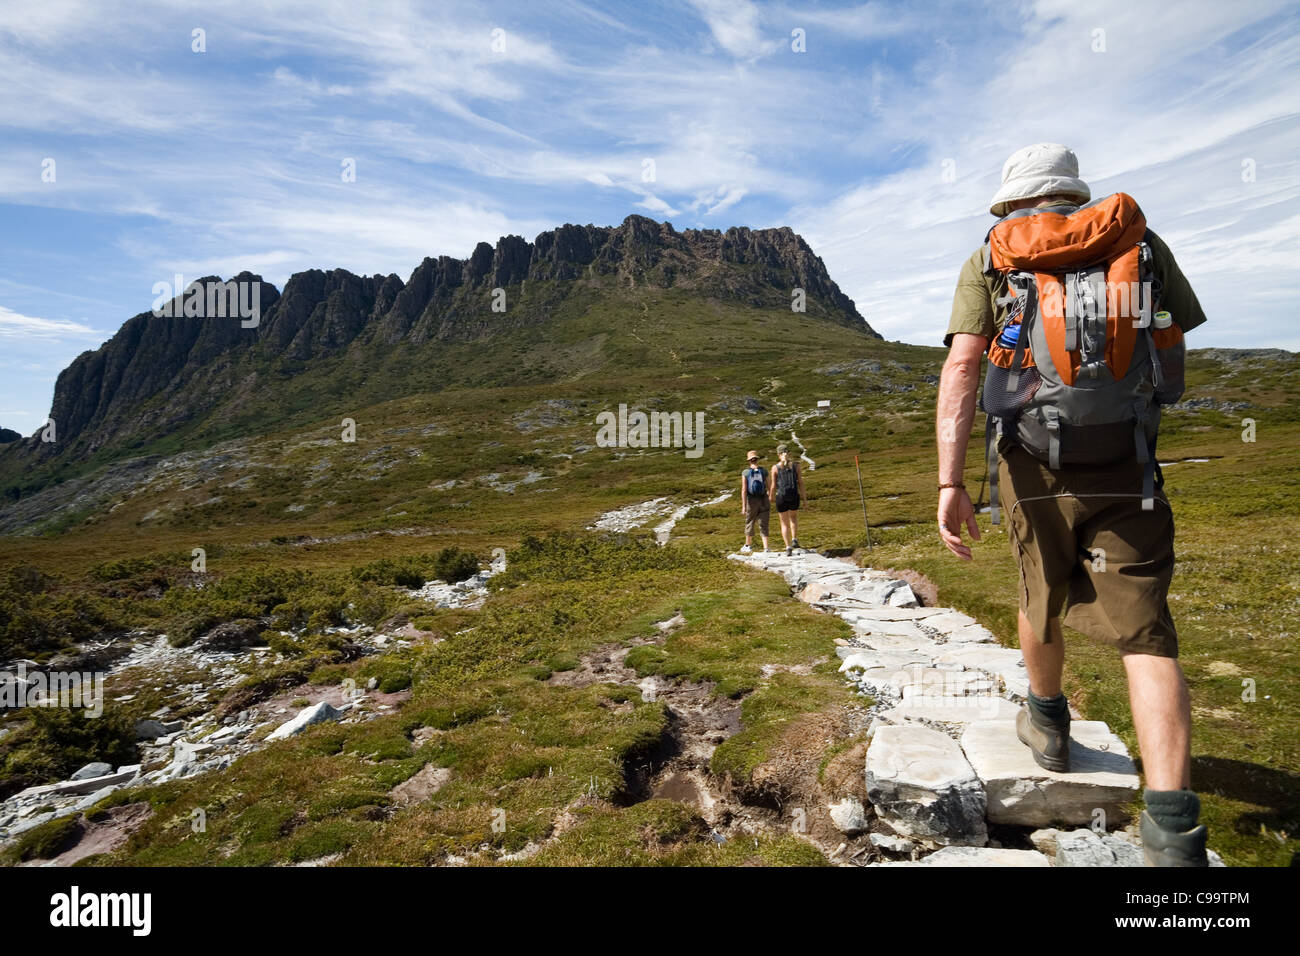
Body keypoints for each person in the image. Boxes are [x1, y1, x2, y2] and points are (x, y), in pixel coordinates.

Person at [935, 143, 1210, 866]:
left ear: (1013, 202)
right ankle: (1173, 828)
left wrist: (949, 482)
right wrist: (1144, 411)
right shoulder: (1138, 244)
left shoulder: (991, 259)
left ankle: (1049, 727)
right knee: (1147, 633)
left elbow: (965, 366)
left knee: (1039, 593)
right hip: (1129, 461)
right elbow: (1172, 348)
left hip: (1030, 467)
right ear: (1070, 192)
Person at [770, 443, 807, 555]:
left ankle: (787, 547)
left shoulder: (775, 468)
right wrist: (805, 499)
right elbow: (800, 482)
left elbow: (773, 485)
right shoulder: (797, 466)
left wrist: (771, 497)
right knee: (793, 518)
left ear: (778, 454)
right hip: (794, 496)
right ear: (788, 453)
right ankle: (794, 539)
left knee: (784, 523)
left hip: (781, 497)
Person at [738, 450, 770, 554]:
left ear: (749, 460)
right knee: (764, 522)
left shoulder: (746, 472)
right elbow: (769, 486)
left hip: (751, 500)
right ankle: (766, 548)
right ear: (757, 459)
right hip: (763, 498)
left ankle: (748, 545)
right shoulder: (764, 471)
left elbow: (744, 490)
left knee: (750, 521)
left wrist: (743, 506)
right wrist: (768, 498)